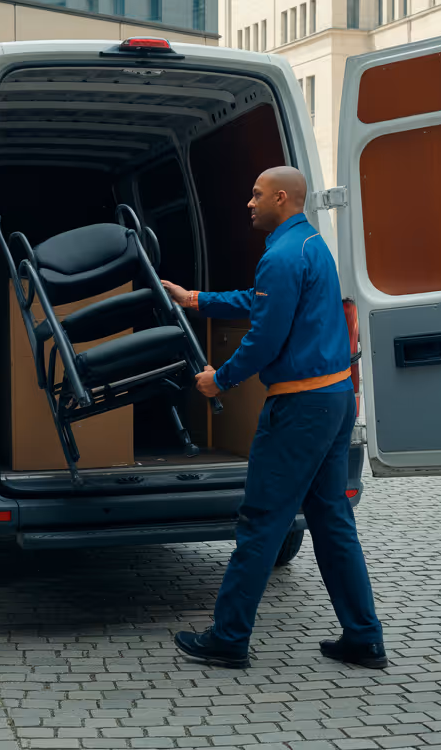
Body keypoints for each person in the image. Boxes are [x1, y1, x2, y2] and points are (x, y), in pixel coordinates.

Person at [161, 165, 386, 670]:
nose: (249, 202)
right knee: (332, 521)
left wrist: (219, 380)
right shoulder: (309, 247)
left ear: (282, 198)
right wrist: (197, 299)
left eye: (257, 194)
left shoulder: (281, 257)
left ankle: (229, 636)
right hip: (333, 400)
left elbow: (263, 338)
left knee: (262, 520)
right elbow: (262, 303)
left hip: (299, 409)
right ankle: (364, 637)